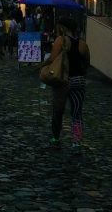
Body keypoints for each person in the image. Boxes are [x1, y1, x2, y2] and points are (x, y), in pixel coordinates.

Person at [43, 16, 90, 148]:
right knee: (77, 113)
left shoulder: (60, 40)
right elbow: (87, 63)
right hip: (78, 80)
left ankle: (55, 137)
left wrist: (42, 66)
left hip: (62, 81)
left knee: (58, 111)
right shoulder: (83, 44)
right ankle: (76, 142)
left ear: (62, 27)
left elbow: (52, 59)